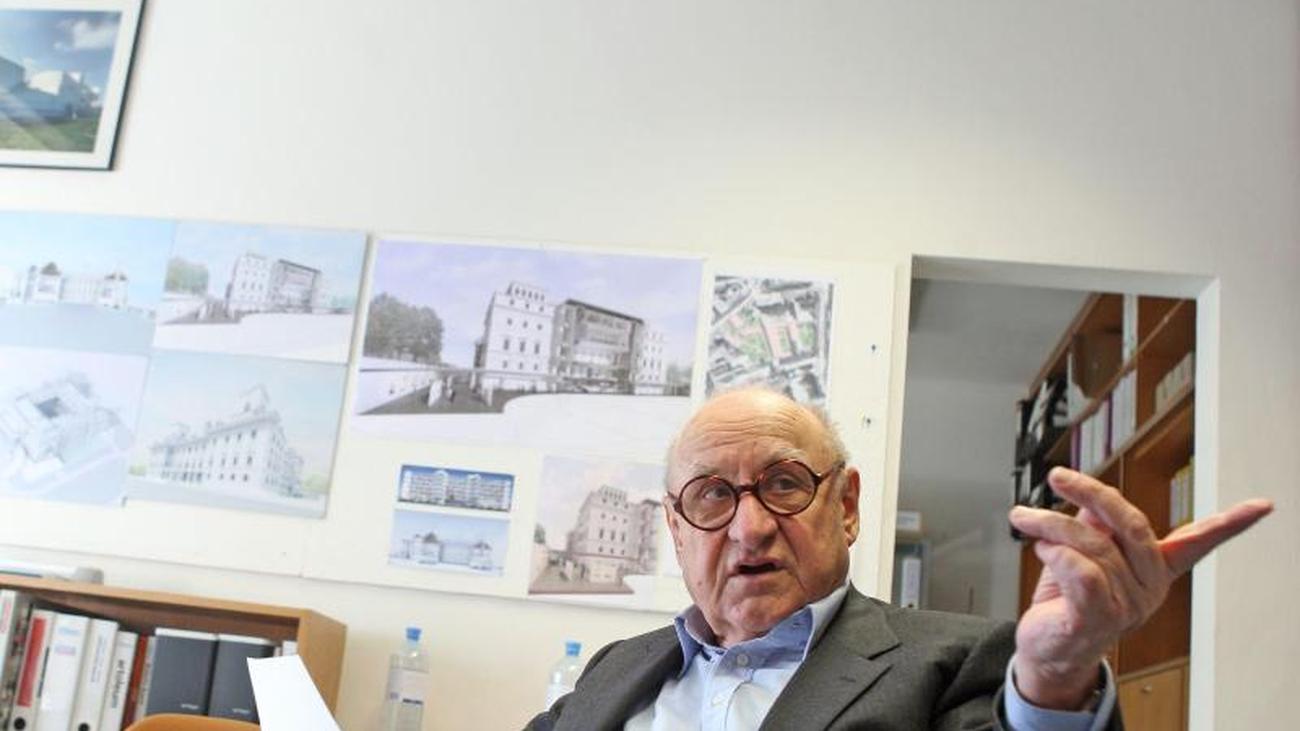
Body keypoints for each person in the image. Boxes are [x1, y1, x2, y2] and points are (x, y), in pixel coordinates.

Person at [526, 387, 1273, 730]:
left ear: (846, 505)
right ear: (676, 527)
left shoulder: (955, 663)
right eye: (713, 495)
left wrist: (1054, 678)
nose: (750, 528)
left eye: (784, 484)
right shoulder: (614, 669)